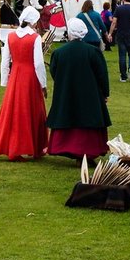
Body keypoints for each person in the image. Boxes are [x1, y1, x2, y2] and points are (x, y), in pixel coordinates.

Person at [47, 18, 111, 165]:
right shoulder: (93, 52)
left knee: (68, 115)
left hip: (67, 92)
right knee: (87, 119)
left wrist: (64, 82)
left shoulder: (59, 53)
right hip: (90, 94)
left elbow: (54, 72)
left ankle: (70, 148)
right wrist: (104, 93)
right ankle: (86, 151)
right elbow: (102, 74)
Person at [0, 6, 48, 161]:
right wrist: (43, 84)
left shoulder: (11, 36)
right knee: (32, 111)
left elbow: (5, 61)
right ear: (34, 22)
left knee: (14, 111)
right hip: (29, 77)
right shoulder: (34, 37)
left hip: (15, 76)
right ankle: (34, 147)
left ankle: (19, 147)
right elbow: (39, 64)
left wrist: (5, 81)